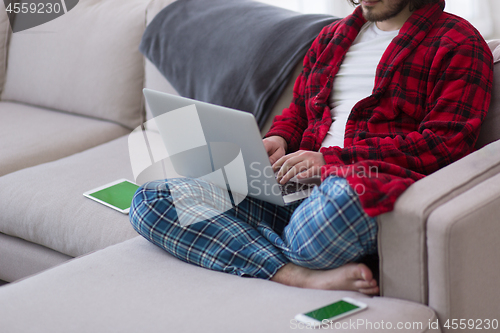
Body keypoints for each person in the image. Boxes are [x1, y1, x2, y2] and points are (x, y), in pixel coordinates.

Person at [129, 0, 493, 295]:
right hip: (292, 187)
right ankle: (293, 273)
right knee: (152, 200)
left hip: (360, 188)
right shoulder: (333, 37)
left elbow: (444, 145)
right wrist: (280, 138)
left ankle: (245, 243)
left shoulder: (459, 43)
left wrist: (330, 161)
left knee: (327, 215)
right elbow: (300, 109)